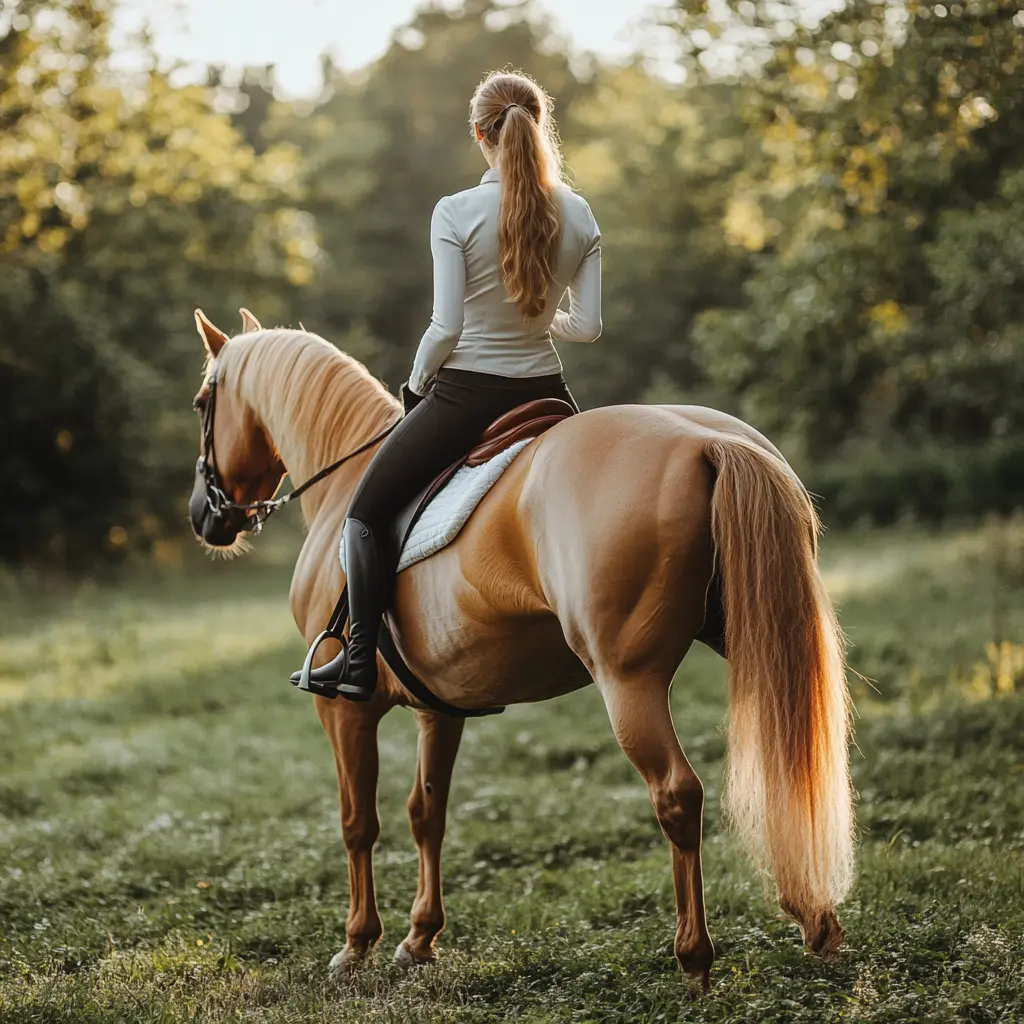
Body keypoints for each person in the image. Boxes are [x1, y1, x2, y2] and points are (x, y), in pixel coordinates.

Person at [335, 69, 602, 702]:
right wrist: (539, 320)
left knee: (366, 513)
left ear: (479, 133)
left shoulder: (455, 211)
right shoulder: (579, 210)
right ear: (539, 127)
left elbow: (445, 327)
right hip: (548, 394)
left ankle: (355, 659)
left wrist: (415, 382)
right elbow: (588, 327)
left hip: (466, 396)